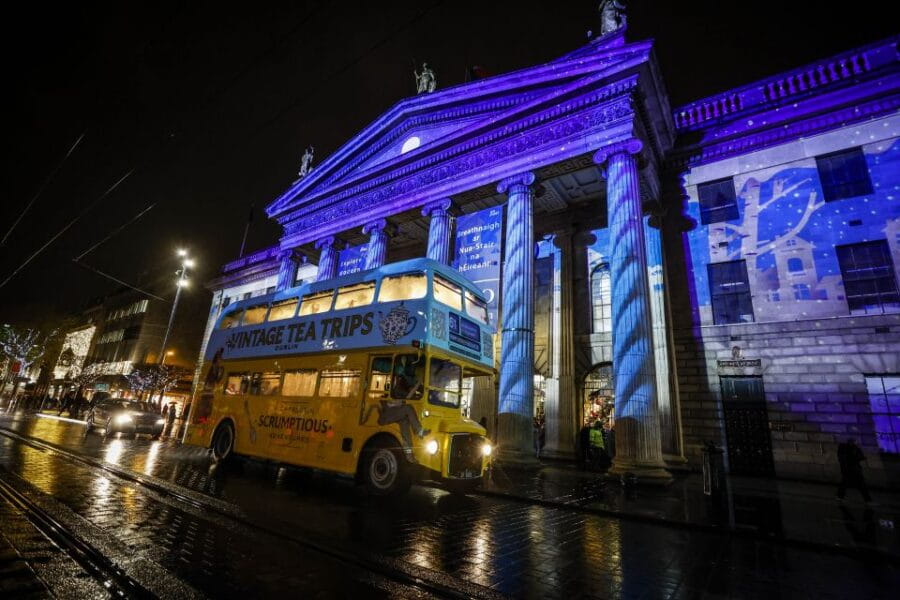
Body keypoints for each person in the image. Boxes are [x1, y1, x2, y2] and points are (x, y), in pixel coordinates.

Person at [837, 438, 872, 503]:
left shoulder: (853, 448)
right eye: (854, 441)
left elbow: (859, 456)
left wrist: (860, 457)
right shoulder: (845, 448)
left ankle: (839, 496)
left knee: (845, 483)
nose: (855, 442)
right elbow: (845, 459)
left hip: (852, 468)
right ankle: (868, 500)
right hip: (852, 469)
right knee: (860, 484)